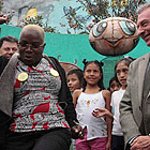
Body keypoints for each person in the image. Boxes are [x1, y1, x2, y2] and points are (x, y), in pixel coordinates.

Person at [0, 24, 83, 150]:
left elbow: (66, 99)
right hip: (17, 133)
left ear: (43, 47)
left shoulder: (53, 64)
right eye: (24, 44)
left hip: (54, 127)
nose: (28, 49)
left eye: (34, 45)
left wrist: (73, 123)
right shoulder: (6, 66)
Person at [120, 3, 150, 150]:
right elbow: (126, 105)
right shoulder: (136, 65)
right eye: (138, 27)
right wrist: (134, 137)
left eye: (144, 24)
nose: (140, 32)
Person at [73, 60, 112, 150]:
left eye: (95, 71)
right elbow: (72, 115)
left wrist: (109, 139)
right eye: (88, 71)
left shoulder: (105, 93)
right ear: (84, 74)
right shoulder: (77, 93)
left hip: (100, 136)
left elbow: (108, 119)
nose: (91, 74)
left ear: (100, 75)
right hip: (81, 135)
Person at [111, 58, 133, 150]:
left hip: (133, 134)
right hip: (117, 134)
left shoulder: (137, 92)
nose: (122, 75)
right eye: (118, 72)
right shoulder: (115, 94)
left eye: (125, 71)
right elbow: (116, 115)